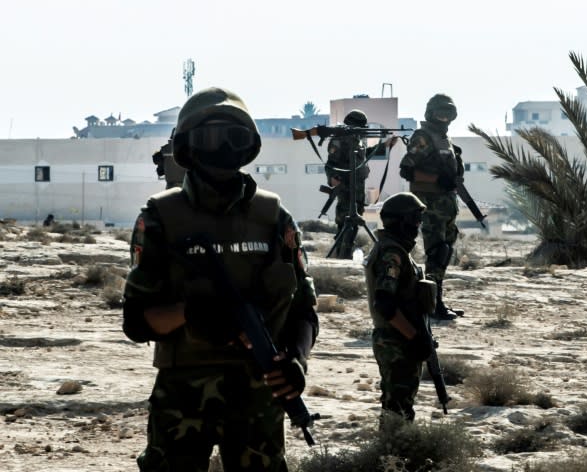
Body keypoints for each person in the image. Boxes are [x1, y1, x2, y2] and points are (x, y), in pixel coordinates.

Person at [121, 87, 319, 472]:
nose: (223, 147)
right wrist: (191, 313)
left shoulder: (275, 217)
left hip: (260, 392)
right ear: (187, 147)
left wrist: (296, 360)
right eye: (210, 137)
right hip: (183, 395)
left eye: (235, 136)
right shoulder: (160, 217)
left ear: (250, 147)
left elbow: (304, 312)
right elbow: (136, 321)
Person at [364, 192, 436, 422]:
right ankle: (393, 454)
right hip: (396, 340)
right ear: (401, 221)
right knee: (398, 410)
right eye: (414, 219)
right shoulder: (392, 253)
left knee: (399, 406)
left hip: (399, 337)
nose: (417, 225)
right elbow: (385, 303)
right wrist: (414, 337)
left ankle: (394, 452)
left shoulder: (395, 250)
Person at [398, 94, 465, 320]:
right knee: (436, 253)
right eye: (439, 113)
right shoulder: (423, 137)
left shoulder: (444, 140)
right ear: (430, 113)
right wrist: (437, 181)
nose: (443, 117)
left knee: (444, 253)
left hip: (447, 205)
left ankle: (436, 300)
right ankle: (432, 304)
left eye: (448, 113)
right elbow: (407, 170)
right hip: (430, 204)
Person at [324, 109, 371, 259]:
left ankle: (344, 255)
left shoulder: (357, 142)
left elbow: (361, 159)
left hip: (357, 193)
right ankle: (341, 257)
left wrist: (386, 146)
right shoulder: (339, 141)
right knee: (345, 226)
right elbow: (330, 164)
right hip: (345, 191)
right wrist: (332, 178)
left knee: (353, 226)